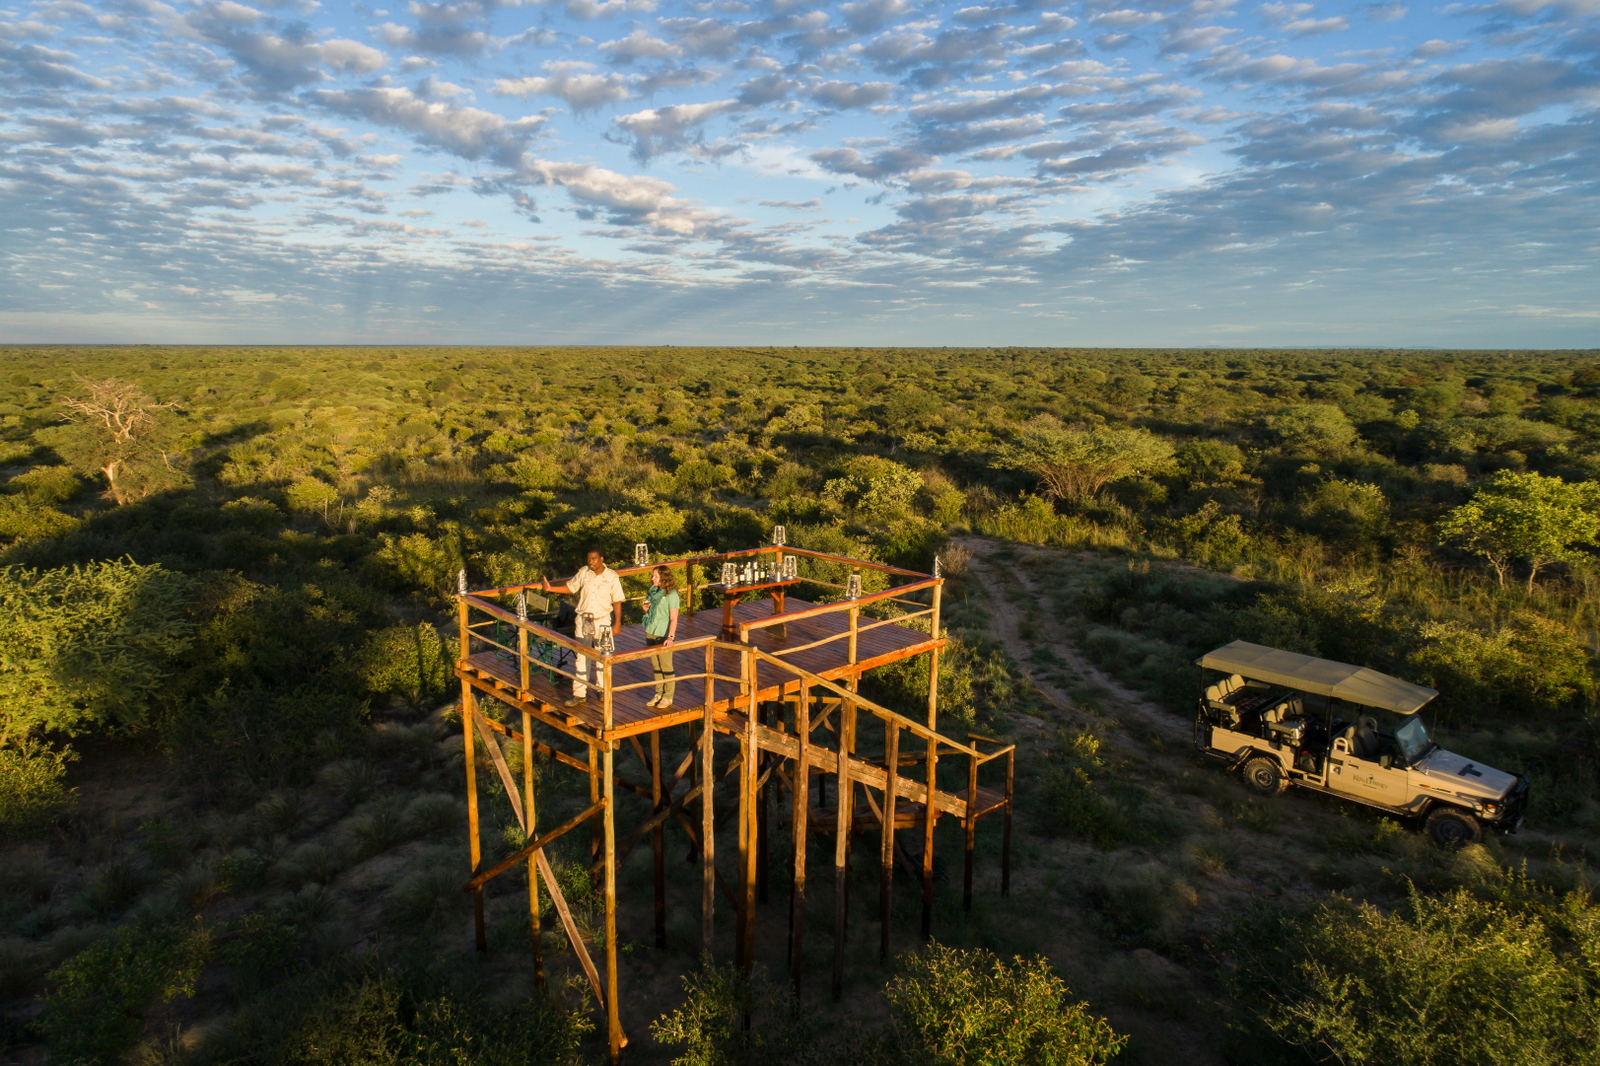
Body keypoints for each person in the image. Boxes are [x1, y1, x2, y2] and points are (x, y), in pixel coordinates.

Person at [541, 550, 625, 707]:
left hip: (602, 621)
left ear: (601, 559)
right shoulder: (583, 572)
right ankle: (579, 694)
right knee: (581, 657)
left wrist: (617, 623)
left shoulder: (612, 577)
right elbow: (571, 587)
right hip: (583, 620)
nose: (591, 562)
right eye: (589, 559)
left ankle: (602, 690)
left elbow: (617, 600)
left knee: (603, 657)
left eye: (594, 559)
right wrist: (550, 588)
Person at [643, 564, 680, 708]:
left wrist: (670, 637)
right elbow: (650, 608)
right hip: (651, 630)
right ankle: (658, 693)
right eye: (653, 576)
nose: (653, 579)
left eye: (656, 576)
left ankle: (668, 696)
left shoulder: (672, 595)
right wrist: (646, 608)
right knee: (655, 665)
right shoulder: (653, 591)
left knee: (665, 665)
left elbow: (674, 618)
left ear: (663, 578)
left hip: (663, 633)